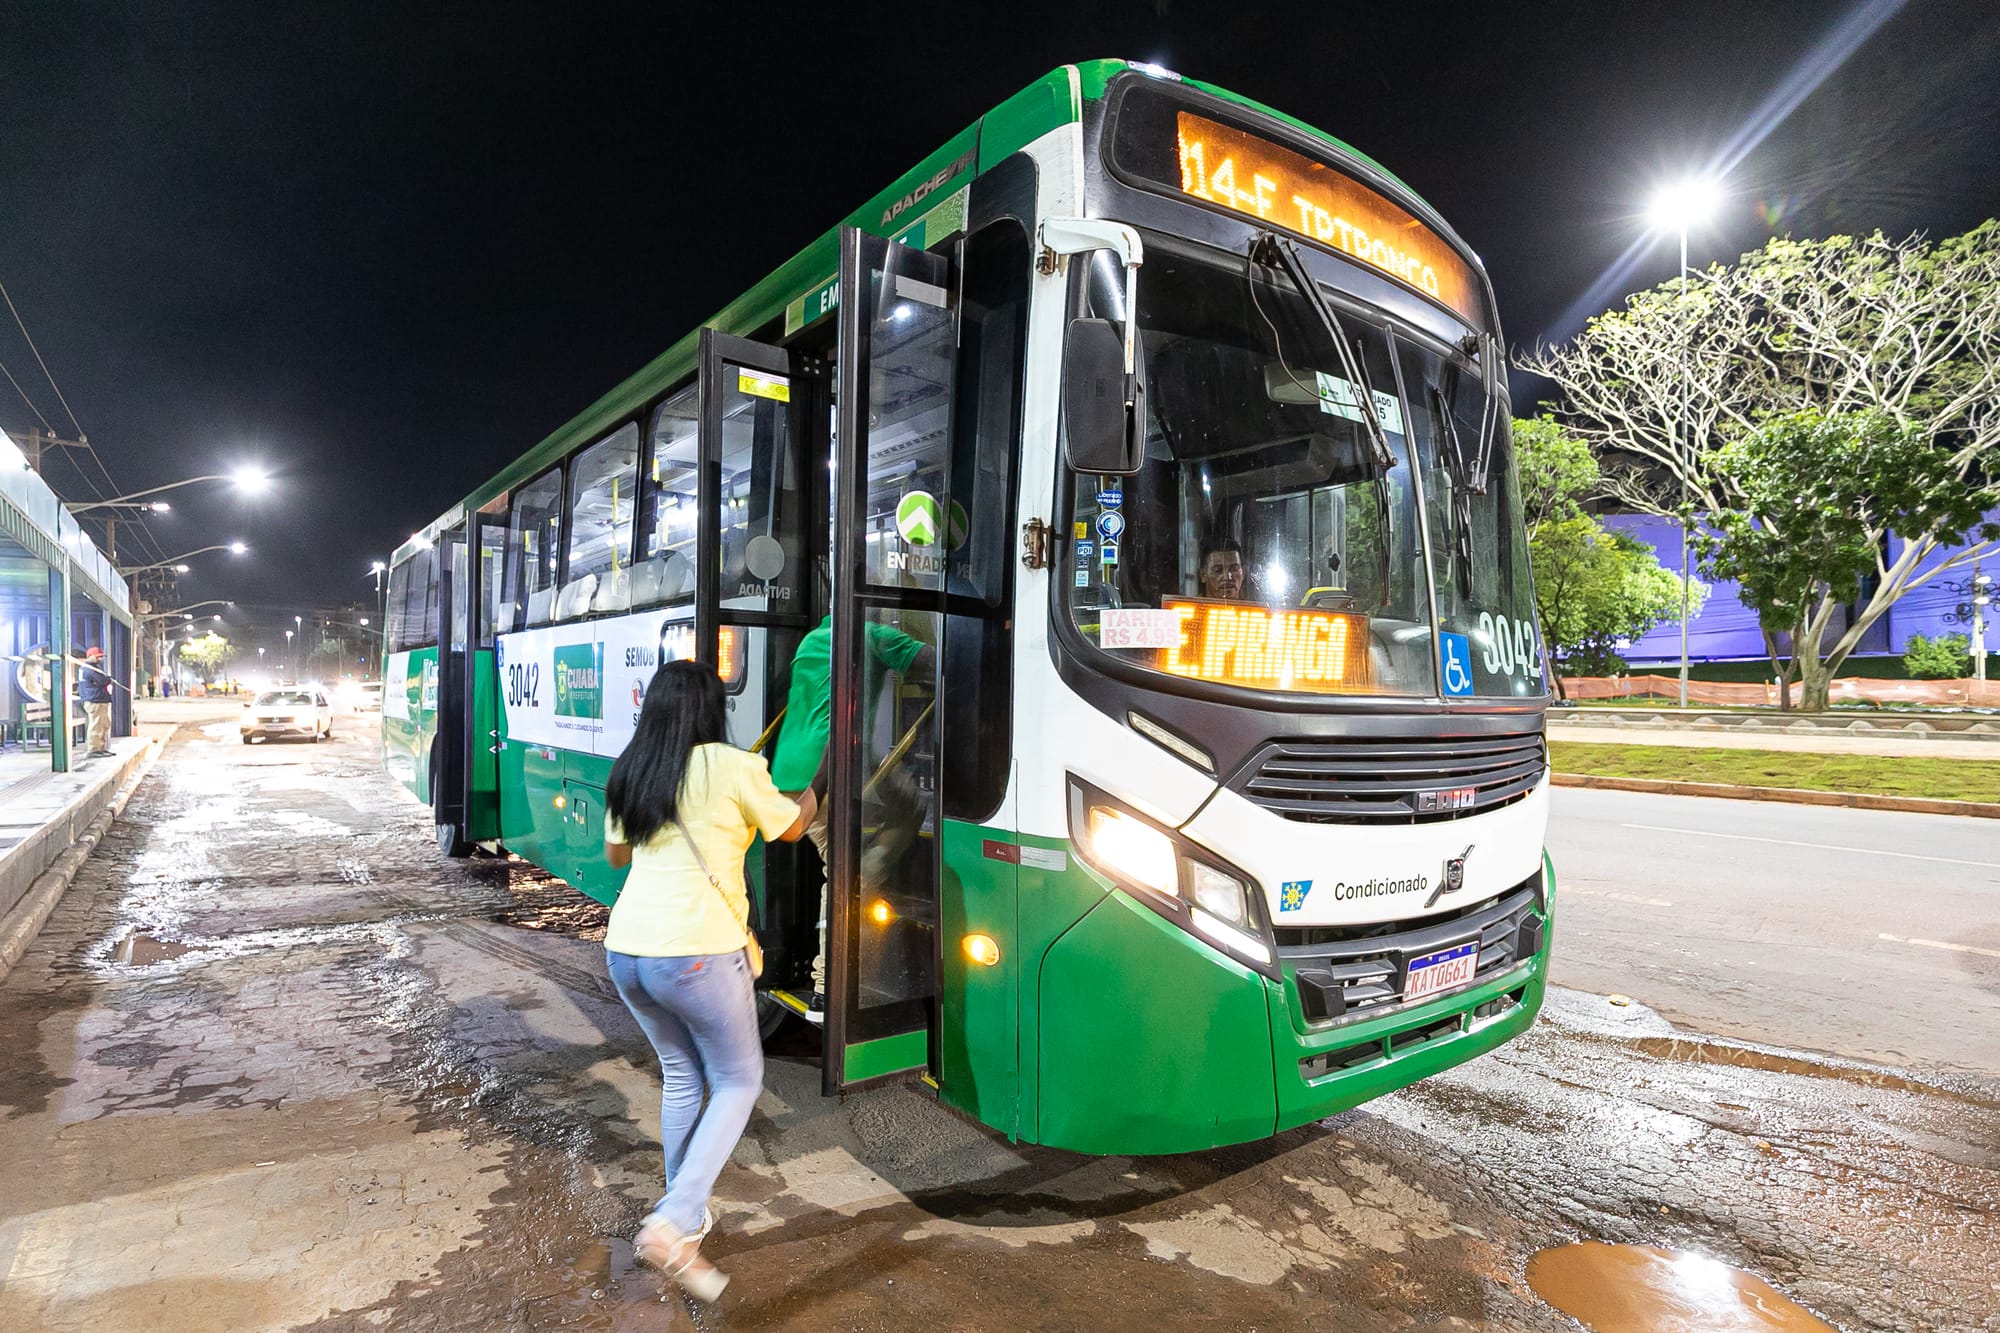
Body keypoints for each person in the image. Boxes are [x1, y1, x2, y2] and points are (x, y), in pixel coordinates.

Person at [602, 659, 815, 1301]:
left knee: (682, 1074)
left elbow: (616, 855)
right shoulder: (732, 766)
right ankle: (671, 1221)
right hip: (697, 953)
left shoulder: (632, 769)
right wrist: (821, 780)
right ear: (711, 711)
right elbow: (793, 827)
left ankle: (684, 1214)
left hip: (627, 952)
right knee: (739, 1079)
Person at [766, 612, 932, 1019]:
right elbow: (944, 662)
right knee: (848, 869)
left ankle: (867, 872)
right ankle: (827, 984)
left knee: (895, 802)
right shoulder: (873, 635)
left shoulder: (812, 640)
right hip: (829, 770)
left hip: (788, 771)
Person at [77, 646, 115, 757]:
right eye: (98, 657)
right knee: (96, 725)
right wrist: (108, 679)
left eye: (101, 657)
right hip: (95, 700)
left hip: (97, 699)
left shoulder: (89, 668)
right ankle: (94, 749)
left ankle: (100, 748)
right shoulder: (90, 669)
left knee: (102, 725)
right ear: (90, 656)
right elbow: (102, 680)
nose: (100, 659)